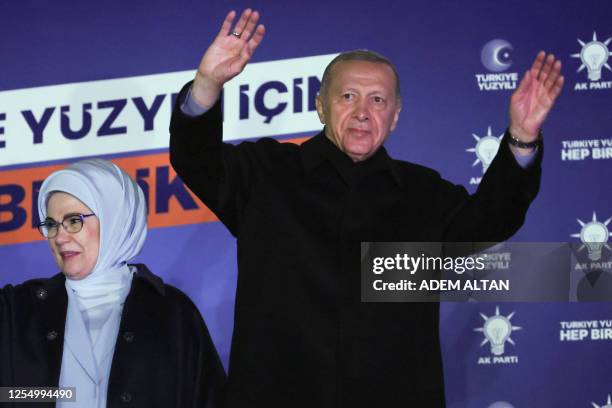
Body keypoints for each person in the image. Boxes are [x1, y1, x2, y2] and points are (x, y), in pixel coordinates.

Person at [169, 9, 563, 408]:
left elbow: (492, 219)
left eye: (377, 100)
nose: (362, 112)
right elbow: (195, 160)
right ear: (321, 106)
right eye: (348, 96)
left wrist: (522, 138)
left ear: (395, 117)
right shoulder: (266, 175)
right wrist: (206, 85)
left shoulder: (424, 193)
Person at [0, 159, 225, 408]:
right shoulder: (18, 310)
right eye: (51, 224)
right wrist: (60, 394)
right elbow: (7, 394)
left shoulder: (172, 313)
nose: (60, 237)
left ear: (114, 219)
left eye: (74, 221)